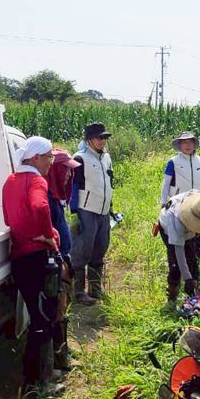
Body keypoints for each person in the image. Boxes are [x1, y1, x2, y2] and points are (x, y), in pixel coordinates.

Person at [1, 136, 62, 395]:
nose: (51, 162)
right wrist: (48, 235)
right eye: (49, 157)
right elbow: (39, 206)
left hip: (19, 258)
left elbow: (7, 218)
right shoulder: (37, 181)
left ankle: (38, 377)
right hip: (36, 259)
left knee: (37, 316)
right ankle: (37, 383)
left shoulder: (10, 181)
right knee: (43, 320)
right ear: (36, 158)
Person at [70, 122, 114, 304]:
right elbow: (73, 186)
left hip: (103, 211)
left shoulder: (106, 157)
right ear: (89, 140)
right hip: (86, 210)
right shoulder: (80, 158)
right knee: (81, 251)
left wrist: (111, 207)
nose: (103, 141)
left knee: (100, 249)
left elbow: (109, 182)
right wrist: (74, 213)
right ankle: (78, 292)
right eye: (99, 138)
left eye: (105, 137)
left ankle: (95, 290)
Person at [46, 148, 80, 371]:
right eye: (65, 170)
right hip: (55, 262)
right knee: (57, 312)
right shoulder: (48, 198)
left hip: (63, 260)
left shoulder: (58, 197)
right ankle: (58, 361)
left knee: (63, 309)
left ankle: (62, 355)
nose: (68, 175)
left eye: (70, 171)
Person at [159, 131, 200, 282]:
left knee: (196, 240)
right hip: (178, 206)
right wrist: (163, 203)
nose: (187, 145)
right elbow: (166, 184)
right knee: (177, 242)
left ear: (195, 144)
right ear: (179, 145)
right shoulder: (173, 162)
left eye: (190, 142)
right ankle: (176, 276)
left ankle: (194, 272)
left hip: (197, 206)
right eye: (184, 142)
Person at [158, 190, 200, 303]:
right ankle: (172, 295)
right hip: (168, 229)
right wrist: (187, 279)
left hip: (185, 229)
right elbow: (179, 253)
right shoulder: (175, 222)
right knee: (175, 264)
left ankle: (195, 292)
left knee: (192, 257)